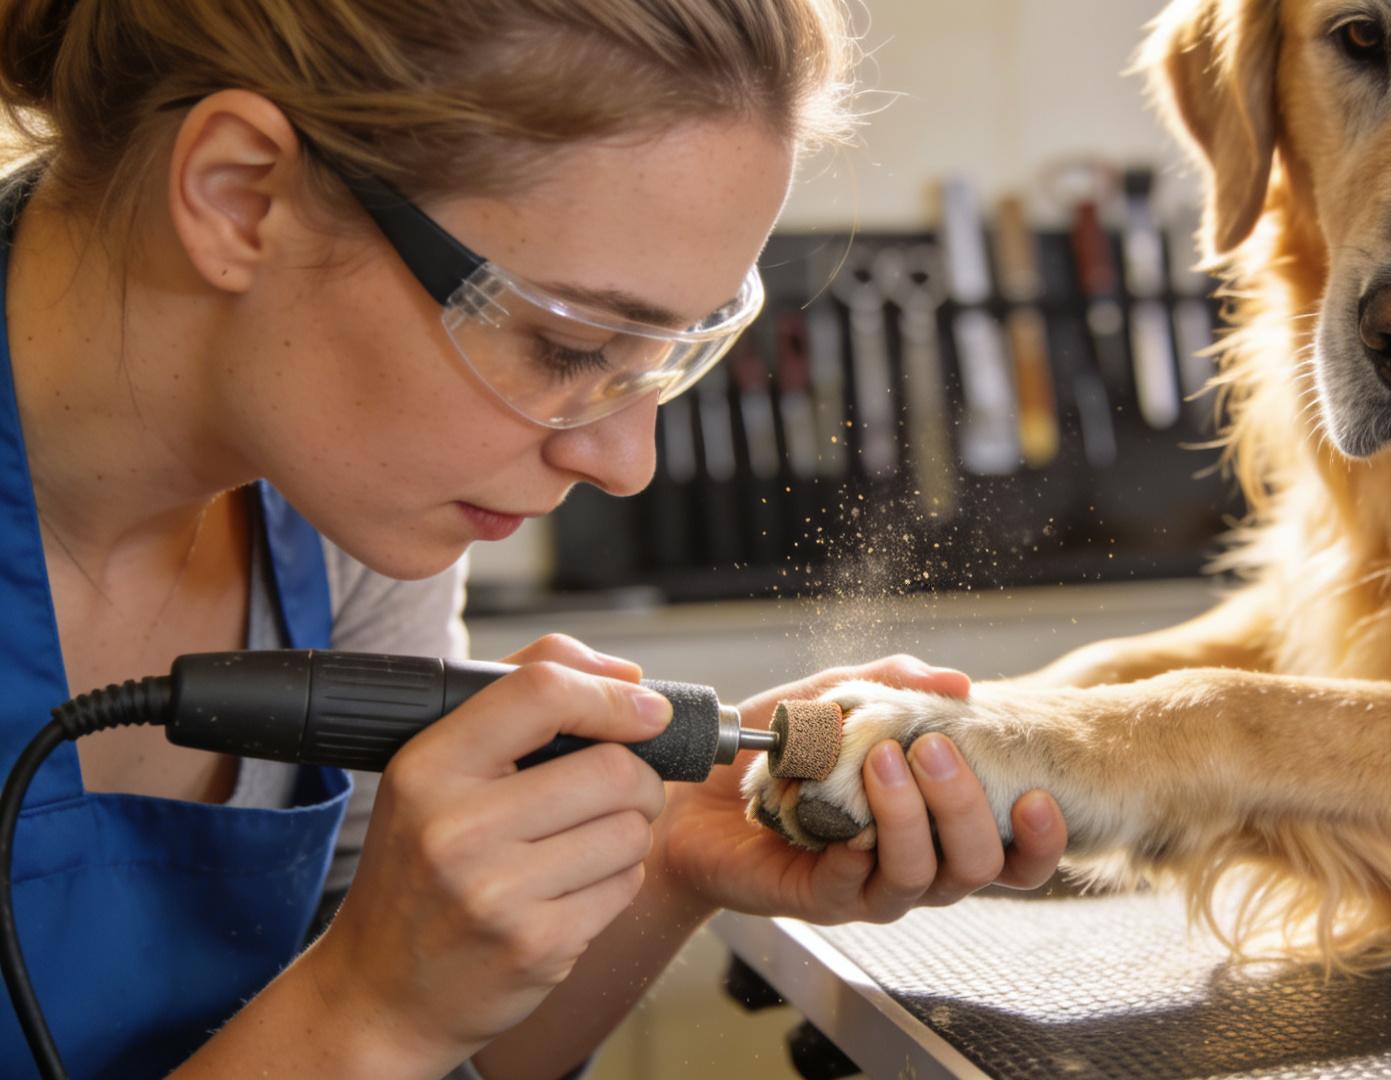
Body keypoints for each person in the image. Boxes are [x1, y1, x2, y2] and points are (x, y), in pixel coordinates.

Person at [0, 1, 1068, 1076]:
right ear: (241, 197)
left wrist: (668, 864)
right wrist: (362, 1010)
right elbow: (362, 1026)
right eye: (566, 344)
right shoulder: (361, 473)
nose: (624, 464)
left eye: (666, 358)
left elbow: (438, 1046)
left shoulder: (340, 511)